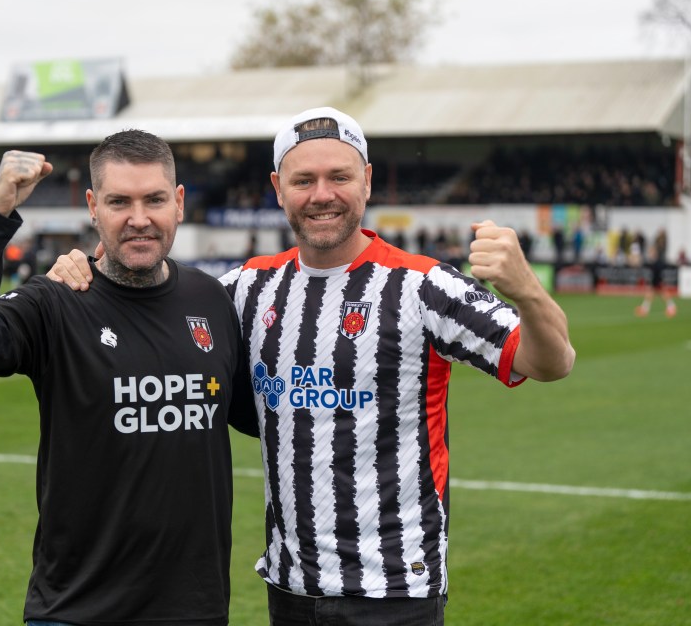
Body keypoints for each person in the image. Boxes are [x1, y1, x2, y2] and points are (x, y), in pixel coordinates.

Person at [48, 108, 576, 626]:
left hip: (393, 593)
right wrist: (82, 270)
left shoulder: (424, 285)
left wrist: (525, 287)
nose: (321, 194)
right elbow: (152, 300)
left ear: (366, 181)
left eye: (338, 176)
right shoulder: (245, 290)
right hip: (291, 589)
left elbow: (550, 362)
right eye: (304, 180)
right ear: (279, 189)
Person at [0, 130, 257, 625]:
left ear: (178, 203)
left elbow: (254, 416)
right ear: (93, 206)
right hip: (77, 610)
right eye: (119, 202)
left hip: (194, 609)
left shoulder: (210, 298)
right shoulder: (57, 300)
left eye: (154, 199)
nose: (138, 218)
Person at [635, 227, 677, 318]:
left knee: (659, 294)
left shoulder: (657, 259)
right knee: (655, 294)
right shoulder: (655, 260)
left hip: (657, 278)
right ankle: (647, 308)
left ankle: (670, 306)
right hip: (656, 278)